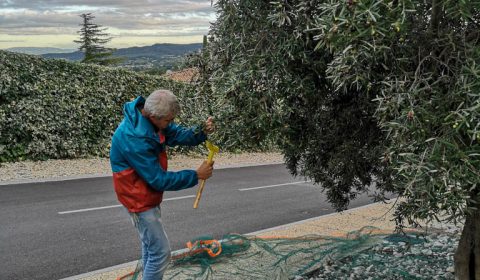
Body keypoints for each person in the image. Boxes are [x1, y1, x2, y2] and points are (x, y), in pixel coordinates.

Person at [109, 89, 214, 280]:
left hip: (146, 195)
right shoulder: (134, 138)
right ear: (153, 116)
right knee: (161, 253)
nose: (170, 123)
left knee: (151, 249)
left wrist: (201, 131)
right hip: (138, 200)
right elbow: (158, 180)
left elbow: (176, 134)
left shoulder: (153, 120)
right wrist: (195, 175)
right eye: (168, 120)